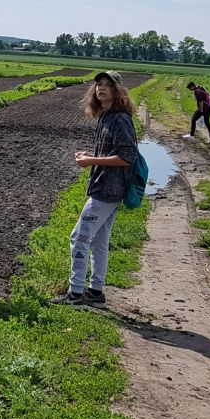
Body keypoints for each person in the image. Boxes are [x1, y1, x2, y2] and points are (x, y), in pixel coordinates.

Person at [52, 70, 140, 308]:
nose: (101, 88)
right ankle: (95, 292)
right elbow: (113, 153)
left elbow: (128, 156)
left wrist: (92, 160)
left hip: (108, 190)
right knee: (99, 241)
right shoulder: (107, 116)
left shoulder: (120, 119)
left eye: (108, 85)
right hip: (107, 187)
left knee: (78, 238)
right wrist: (92, 155)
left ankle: (75, 294)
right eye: (99, 84)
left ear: (118, 91)